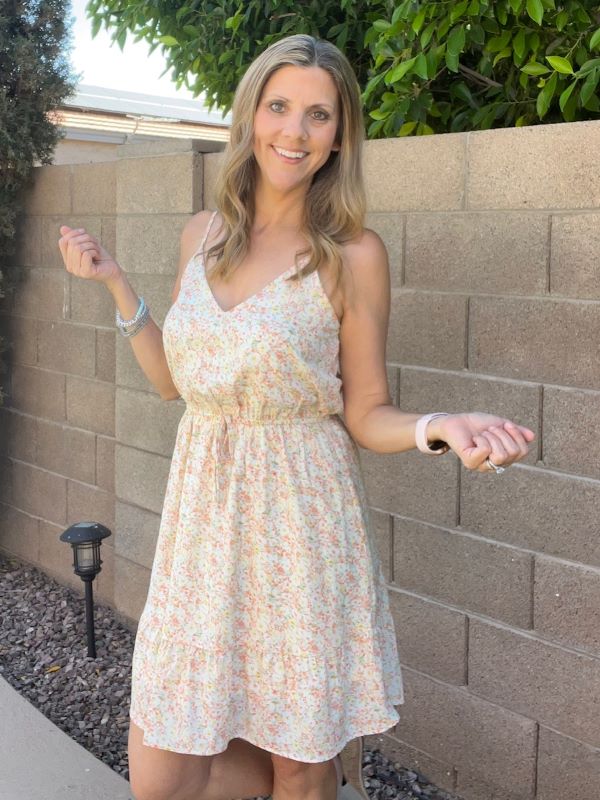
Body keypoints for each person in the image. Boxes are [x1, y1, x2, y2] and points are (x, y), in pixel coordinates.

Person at [58, 33, 535, 800]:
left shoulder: (352, 253)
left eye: (319, 114)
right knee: (164, 772)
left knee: (299, 765)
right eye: (279, 106)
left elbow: (367, 411)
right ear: (251, 115)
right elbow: (175, 384)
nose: (295, 130)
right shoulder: (201, 235)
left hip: (301, 529)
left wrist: (438, 427)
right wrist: (116, 283)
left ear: (340, 135)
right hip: (202, 528)